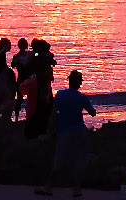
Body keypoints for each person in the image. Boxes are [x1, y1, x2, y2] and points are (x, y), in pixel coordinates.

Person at [36, 70, 95, 198]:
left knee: (58, 161)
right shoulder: (82, 97)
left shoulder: (60, 95)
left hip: (64, 132)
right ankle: (77, 189)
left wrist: (50, 131)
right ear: (79, 83)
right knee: (78, 160)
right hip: (80, 132)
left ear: (69, 81)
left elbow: (53, 114)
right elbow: (92, 112)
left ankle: (49, 187)